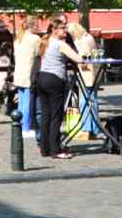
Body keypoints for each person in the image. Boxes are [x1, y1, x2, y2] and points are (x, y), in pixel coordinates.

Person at [35, 19, 88, 160]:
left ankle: (44, 148)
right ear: (54, 30)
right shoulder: (60, 44)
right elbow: (78, 58)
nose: (65, 31)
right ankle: (55, 150)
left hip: (41, 78)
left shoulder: (45, 42)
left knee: (46, 115)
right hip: (54, 80)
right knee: (56, 116)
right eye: (62, 28)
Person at [67, 22, 102, 139]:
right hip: (91, 73)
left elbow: (83, 57)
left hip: (86, 74)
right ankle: (93, 128)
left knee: (85, 101)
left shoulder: (84, 40)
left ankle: (87, 129)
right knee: (91, 100)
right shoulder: (88, 37)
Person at [13, 19, 45, 139]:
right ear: (33, 26)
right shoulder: (34, 38)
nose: (38, 27)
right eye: (37, 25)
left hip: (19, 73)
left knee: (21, 102)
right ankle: (26, 128)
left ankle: (19, 126)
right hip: (29, 73)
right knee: (27, 102)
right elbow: (40, 53)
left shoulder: (18, 38)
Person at [0, 41, 14, 108]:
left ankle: (1, 103)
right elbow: (8, 73)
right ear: (8, 49)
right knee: (14, 86)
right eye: (11, 49)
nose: (11, 51)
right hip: (2, 85)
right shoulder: (6, 59)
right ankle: (9, 104)